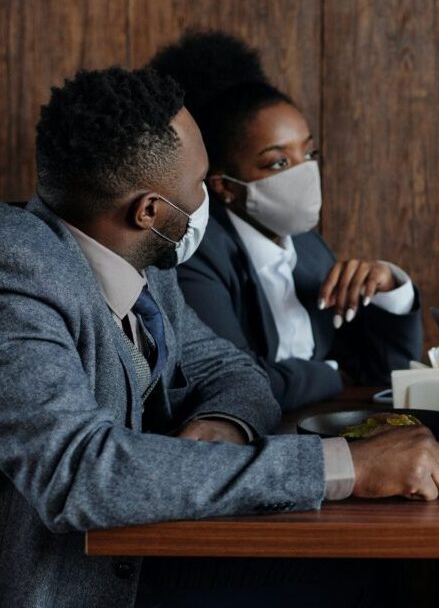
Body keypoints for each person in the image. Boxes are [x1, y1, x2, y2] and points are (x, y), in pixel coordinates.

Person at [0, 66, 439, 608]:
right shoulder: (18, 275)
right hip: (82, 585)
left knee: (383, 572)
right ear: (149, 210)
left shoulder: (145, 259)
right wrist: (345, 466)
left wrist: (221, 425)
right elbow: (77, 474)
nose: (207, 199)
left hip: (153, 545)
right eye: (200, 182)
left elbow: (232, 369)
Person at [148, 31, 422, 411]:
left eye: (308, 154)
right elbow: (237, 383)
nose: (304, 172)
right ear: (224, 186)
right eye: (278, 162)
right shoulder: (198, 255)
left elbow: (383, 373)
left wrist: (391, 288)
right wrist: (331, 375)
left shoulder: (308, 247)